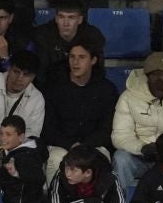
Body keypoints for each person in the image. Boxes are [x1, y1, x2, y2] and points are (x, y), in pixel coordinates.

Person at [40, 41, 117, 181]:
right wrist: (71, 145)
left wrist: (84, 146)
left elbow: (107, 129)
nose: (75, 62)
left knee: (101, 158)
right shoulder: (53, 89)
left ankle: (98, 202)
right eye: (72, 57)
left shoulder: (106, 89)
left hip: (94, 145)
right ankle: (56, 201)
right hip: (61, 145)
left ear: (93, 60)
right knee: (56, 159)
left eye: (82, 57)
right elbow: (48, 128)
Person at [111, 51, 163, 198]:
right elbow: (120, 136)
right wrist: (142, 148)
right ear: (152, 77)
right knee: (121, 159)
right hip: (142, 157)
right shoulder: (129, 97)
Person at [0, 116, 47, 203]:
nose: (3, 138)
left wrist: (17, 173)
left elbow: (38, 178)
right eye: (1, 133)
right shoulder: (16, 151)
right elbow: (5, 172)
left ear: (21, 137)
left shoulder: (27, 156)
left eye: (8, 134)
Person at [48, 146, 126, 203]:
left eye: (73, 170)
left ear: (88, 173)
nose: (67, 174)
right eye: (66, 167)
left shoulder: (109, 178)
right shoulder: (61, 176)